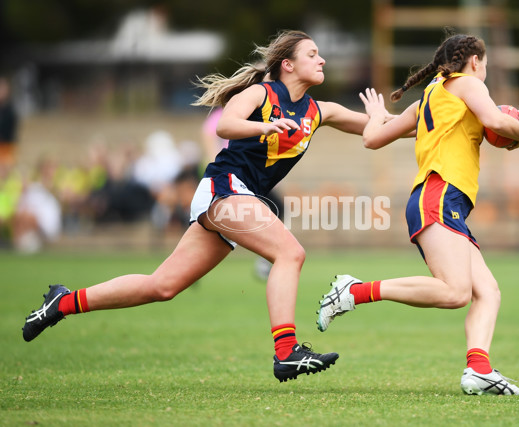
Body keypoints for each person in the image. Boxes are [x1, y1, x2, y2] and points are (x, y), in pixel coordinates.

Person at [22, 30, 372, 383]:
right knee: (290, 253)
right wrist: (266, 126)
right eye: (312, 54)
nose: (322, 59)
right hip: (225, 188)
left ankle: (63, 302)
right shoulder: (261, 93)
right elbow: (226, 124)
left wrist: (419, 115)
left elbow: (383, 127)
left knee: (162, 286)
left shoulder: (320, 111)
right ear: (288, 65)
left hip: (237, 197)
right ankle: (286, 353)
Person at [316, 33, 519, 395]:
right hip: (440, 194)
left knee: (488, 291)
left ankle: (478, 369)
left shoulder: (431, 98)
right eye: (485, 65)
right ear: (476, 62)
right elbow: (495, 121)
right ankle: (354, 291)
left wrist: (375, 117)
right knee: (455, 293)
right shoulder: (468, 83)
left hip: (442, 199)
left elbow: (373, 138)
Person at [200, 106, 283, 280]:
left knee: (278, 209)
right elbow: (210, 144)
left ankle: (266, 258)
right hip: (227, 178)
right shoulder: (219, 116)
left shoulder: (254, 113)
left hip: (247, 178)